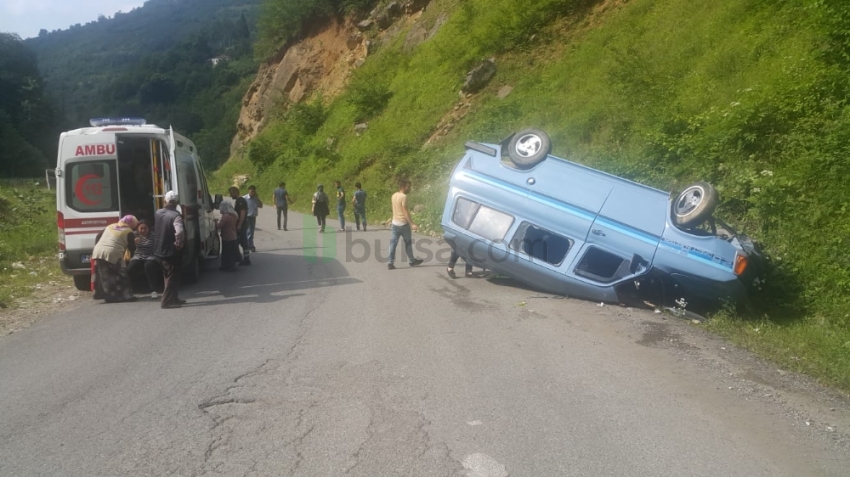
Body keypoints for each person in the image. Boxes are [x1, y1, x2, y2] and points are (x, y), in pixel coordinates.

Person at [91, 215, 139, 303]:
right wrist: (135, 243)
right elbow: (132, 248)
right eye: (134, 225)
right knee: (121, 275)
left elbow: (98, 236)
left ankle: (107, 295)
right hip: (113, 253)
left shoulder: (111, 226)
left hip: (98, 251)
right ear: (131, 224)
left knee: (105, 275)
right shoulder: (128, 231)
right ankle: (126, 296)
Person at [154, 190, 186, 309]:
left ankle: (174, 298)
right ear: (177, 202)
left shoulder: (158, 213)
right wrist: (179, 243)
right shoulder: (176, 215)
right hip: (171, 250)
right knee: (173, 275)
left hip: (159, 249)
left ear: (165, 201)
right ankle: (166, 301)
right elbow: (179, 231)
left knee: (167, 274)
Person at [387, 180, 423, 270]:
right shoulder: (404, 197)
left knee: (393, 244)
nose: (409, 188)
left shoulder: (394, 195)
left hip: (394, 224)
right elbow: (405, 211)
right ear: (403, 187)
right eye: (408, 186)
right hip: (403, 224)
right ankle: (411, 261)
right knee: (408, 243)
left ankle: (390, 263)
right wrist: (412, 224)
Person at [127, 219, 164, 298]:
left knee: (149, 266)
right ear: (138, 229)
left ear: (149, 228)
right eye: (141, 228)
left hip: (151, 256)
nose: (143, 230)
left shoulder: (153, 235)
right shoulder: (134, 235)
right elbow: (130, 248)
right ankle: (131, 289)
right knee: (131, 268)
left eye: (145, 228)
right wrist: (133, 244)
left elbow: (158, 247)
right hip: (138, 255)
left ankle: (154, 290)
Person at [229, 186, 251, 265]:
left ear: (235, 192)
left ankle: (245, 259)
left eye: (231, 193)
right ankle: (242, 259)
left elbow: (242, 213)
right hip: (241, 224)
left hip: (241, 225)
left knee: (242, 241)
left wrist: (239, 225)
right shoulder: (239, 200)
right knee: (240, 241)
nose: (231, 195)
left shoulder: (240, 201)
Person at [216, 201, 239, 272]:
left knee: (227, 252)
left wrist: (215, 222)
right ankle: (230, 265)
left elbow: (219, 226)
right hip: (233, 235)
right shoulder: (234, 215)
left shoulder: (226, 216)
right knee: (231, 252)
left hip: (227, 236)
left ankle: (228, 266)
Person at [243, 185, 263, 252]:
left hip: (253, 217)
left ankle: (249, 245)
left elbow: (261, 206)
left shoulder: (255, 198)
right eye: (251, 191)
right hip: (247, 217)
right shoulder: (244, 198)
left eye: (254, 191)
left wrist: (257, 198)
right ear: (248, 191)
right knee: (249, 232)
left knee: (251, 232)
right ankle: (250, 246)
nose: (253, 193)